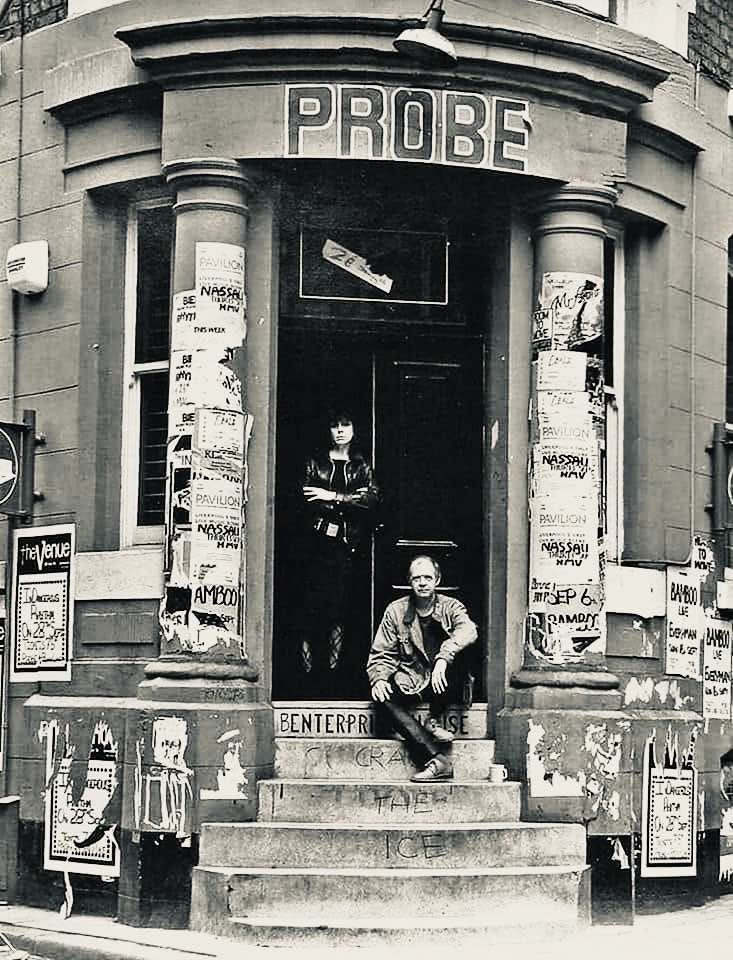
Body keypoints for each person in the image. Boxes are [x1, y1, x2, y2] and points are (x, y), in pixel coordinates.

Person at [367, 555, 477, 782]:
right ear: (410, 581)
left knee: (458, 657)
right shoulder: (396, 611)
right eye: (417, 578)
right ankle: (437, 759)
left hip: (445, 681)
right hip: (412, 679)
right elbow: (382, 653)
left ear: (437, 580)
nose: (423, 583)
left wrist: (443, 658)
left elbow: (469, 630)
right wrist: (379, 678)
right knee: (381, 696)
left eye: (428, 577)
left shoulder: (451, 606)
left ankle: (433, 718)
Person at [299, 410, 379, 695]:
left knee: (341, 611)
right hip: (317, 547)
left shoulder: (361, 465)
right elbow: (306, 498)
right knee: (313, 610)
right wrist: (347, 502)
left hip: (347, 548)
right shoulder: (315, 462)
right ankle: (309, 674)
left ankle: (333, 674)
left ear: (355, 429)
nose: (340, 430)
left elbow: (369, 499)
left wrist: (331, 497)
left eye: (346, 424)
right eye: (335, 425)